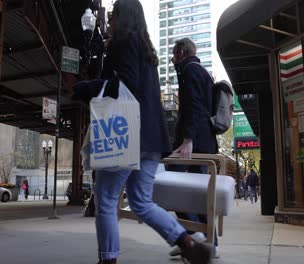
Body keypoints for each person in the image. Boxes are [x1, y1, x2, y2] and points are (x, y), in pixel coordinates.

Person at [68, 1, 213, 263]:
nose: (110, 20)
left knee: (107, 201)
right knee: (141, 202)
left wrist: (87, 87)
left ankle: (108, 259)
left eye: (113, 15)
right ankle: (187, 241)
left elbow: (126, 85)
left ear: (123, 18)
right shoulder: (148, 52)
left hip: (126, 135)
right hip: (151, 138)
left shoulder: (122, 44)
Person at [167, 37, 219, 258]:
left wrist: (187, 139)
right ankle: (208, 243)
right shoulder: (201, 71)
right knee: (199, 194)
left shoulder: (189, 70)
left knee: (171, 185)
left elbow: (194, 106)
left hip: (193, 141)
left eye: (174, 53)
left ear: (181, 51)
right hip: (204, 140)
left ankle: (194, 237)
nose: (171, 58)